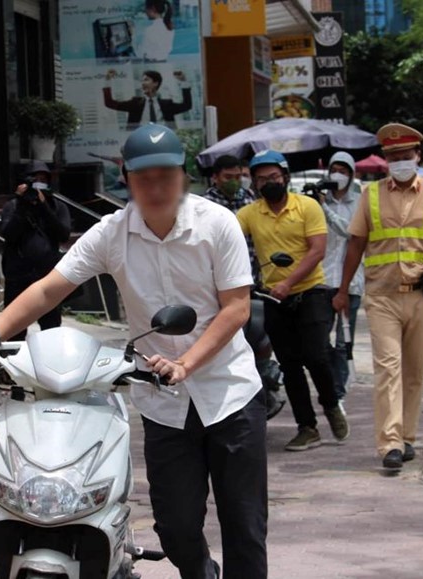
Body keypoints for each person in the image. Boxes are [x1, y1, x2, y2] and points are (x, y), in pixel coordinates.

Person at [0, 123, 267, 579]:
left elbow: (236, 308)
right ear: (127, 176)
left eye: (166, 175)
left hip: (231, 395)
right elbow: (48, 290)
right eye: (144, 177)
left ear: (182, 176)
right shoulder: (111, 233)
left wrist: (186, 362)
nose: (156, 187)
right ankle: (201, 571)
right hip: (165, 403)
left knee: (244, 525)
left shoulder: (217, 225)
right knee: (176, 527)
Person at [333, 123, 423, 471]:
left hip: (421, 297)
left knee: (414, 371)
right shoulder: (370, 195)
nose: (400, 162)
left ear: (417, 157)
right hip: (382, 296)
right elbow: (356, 244)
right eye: (393, 157)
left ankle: (407, 437)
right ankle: (389, 443)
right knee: (387, 369)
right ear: (386, 160)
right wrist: (343, 289)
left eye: (405, 156)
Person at [237, 150, 349, 451]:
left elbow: (317, 250)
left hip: (311, 292)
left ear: (285, 177)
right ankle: (307, 427)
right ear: (255, 184)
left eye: (273, 177)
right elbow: (226, 239)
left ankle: (331, 404)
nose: (268, 183)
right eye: (261, 179)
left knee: (316, 356)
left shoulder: (307, 206)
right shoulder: (249, 214)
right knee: (290, 364)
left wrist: (289, 282)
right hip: (272, 297)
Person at [0, 160, 71, 341]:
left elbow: (63, 234)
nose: (39, 184)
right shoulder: (13, 206)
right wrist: (23, 205)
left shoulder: (57, 207)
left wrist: (43, 206)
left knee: (51, 329)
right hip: (18, 278)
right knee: (14, 330)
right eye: (34, 180)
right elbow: (9, 234)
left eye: (43, 179)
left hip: (47, 278)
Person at [318, 152, 365, 401]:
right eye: (334, 169)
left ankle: (338, 390)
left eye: (344, 171)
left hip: (352, 282)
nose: (339, 175)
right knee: (319, 342)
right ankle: (331, 384)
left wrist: (324, 208)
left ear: (351, 174)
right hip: (322, 280)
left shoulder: (359, 202)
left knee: (342, 341)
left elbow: (350, 232)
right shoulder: (316, 202)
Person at [203, 154, 259, 282]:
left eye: (238, 177)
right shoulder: (206, 205)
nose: (234, 181)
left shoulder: (250, 199)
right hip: (219, 275)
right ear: (215, 178)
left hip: (250, 274)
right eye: (228, 177)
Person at [103, 69, 192, 127]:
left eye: (146, 79)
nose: (142, 83)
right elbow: (109, 103)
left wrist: (183, 81)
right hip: (140, 141)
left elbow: (187, 105)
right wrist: (107, 81)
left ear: (155, 83)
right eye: (142, 80)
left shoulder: (167, 104)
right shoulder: (135, 103)